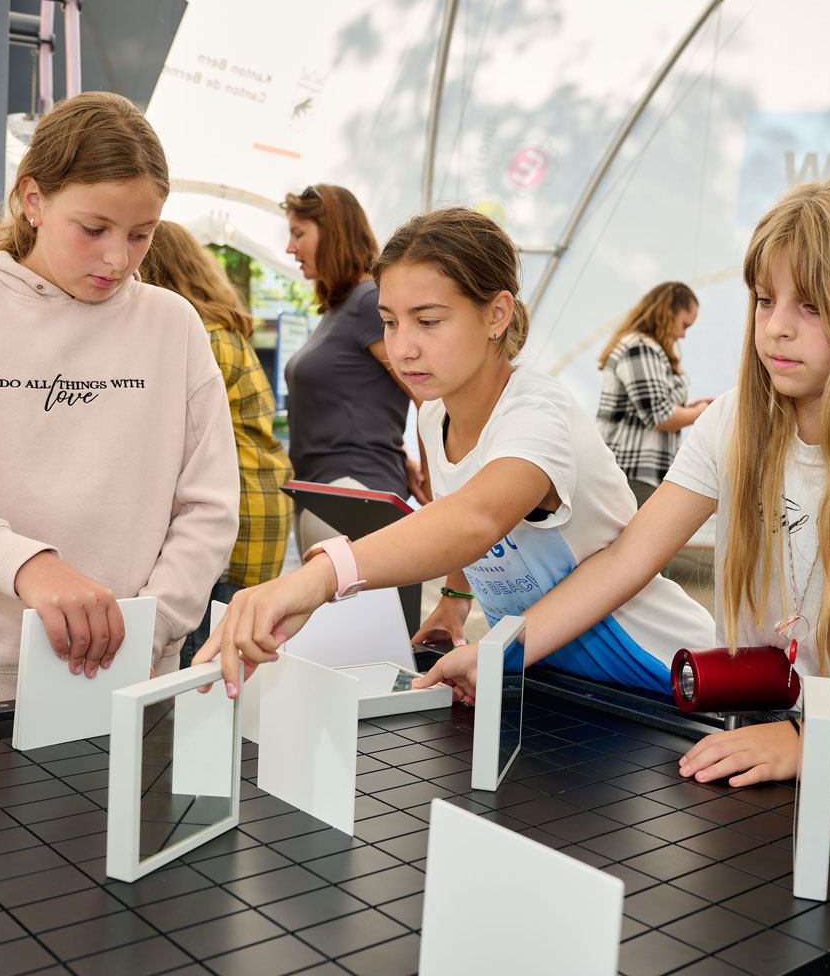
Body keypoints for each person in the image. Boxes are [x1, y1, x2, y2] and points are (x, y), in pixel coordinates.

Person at [419, 178, 830, 785]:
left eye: (811, 305)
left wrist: (819, 738)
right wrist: (496, 655)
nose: (777, 327)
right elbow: (626, 559)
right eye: (764, 300)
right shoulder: (735, 419)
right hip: (753, 724)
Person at [195, 206, 714, 695]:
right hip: (547, 671)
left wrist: (322, 575)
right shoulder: (432, 413)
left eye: (428, 320)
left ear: (497, 315)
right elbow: (456, 512)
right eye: (390, 320)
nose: (402, 348)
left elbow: (477, 519)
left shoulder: (537, 415)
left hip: (659, 673)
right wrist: (454, 597)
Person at [0, 92, 239, 711]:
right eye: (94, 230)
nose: (118, 258)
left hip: (135, 678)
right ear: (34, 199)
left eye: (142, 235)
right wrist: (26, 565)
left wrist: (149, 628)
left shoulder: (174, 325)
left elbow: (210, 504)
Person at [140, 221, 294, 658]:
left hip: (230, 523)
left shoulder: (199, 337)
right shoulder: (223, 330)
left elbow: (165, 439)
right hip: (257, 511)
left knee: (200, 661)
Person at [281, 184, 426, 553]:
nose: (290, 248)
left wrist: (434, 478)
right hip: (326, 494)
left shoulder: (367, 301)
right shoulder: (341, 308)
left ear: (334, 233)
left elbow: (425, 394)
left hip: (354, 492)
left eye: (299, 234)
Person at [595, 281, 713, 505]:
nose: (683, 335)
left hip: (639, 474)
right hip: (633, 473)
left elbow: (650, 407)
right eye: (684, 325)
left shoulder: (645, 348)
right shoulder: (640, 348)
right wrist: (700, 412)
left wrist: (690, 408)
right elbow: (660, 416)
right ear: (668, 313)